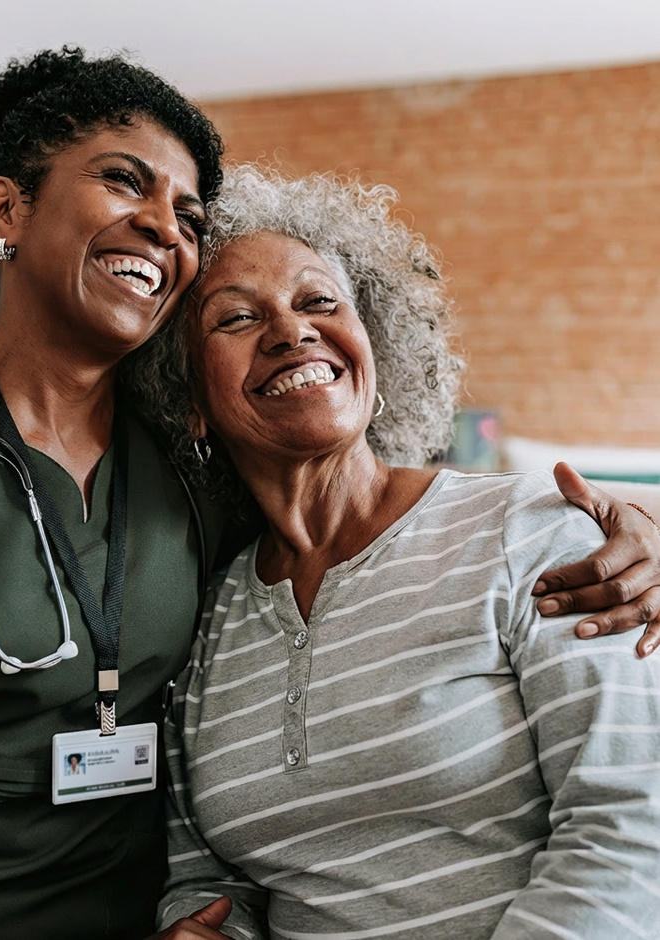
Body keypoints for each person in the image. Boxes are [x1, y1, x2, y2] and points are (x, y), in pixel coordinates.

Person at [0, 49, 656, 940]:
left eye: (190, 214)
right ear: (5, 207)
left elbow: (373, 538)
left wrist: (636, 530)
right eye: (123, 179)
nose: (166, 225)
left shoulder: (194, 476)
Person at [137, 166, 660, 940]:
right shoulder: (204, 617)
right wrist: (201, 925)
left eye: (319, 301)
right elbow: (207, 874)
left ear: (370, 346)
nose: (290, 330)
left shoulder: (527, 532)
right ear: (188, 402)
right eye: (238, 319)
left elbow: (632, 827)